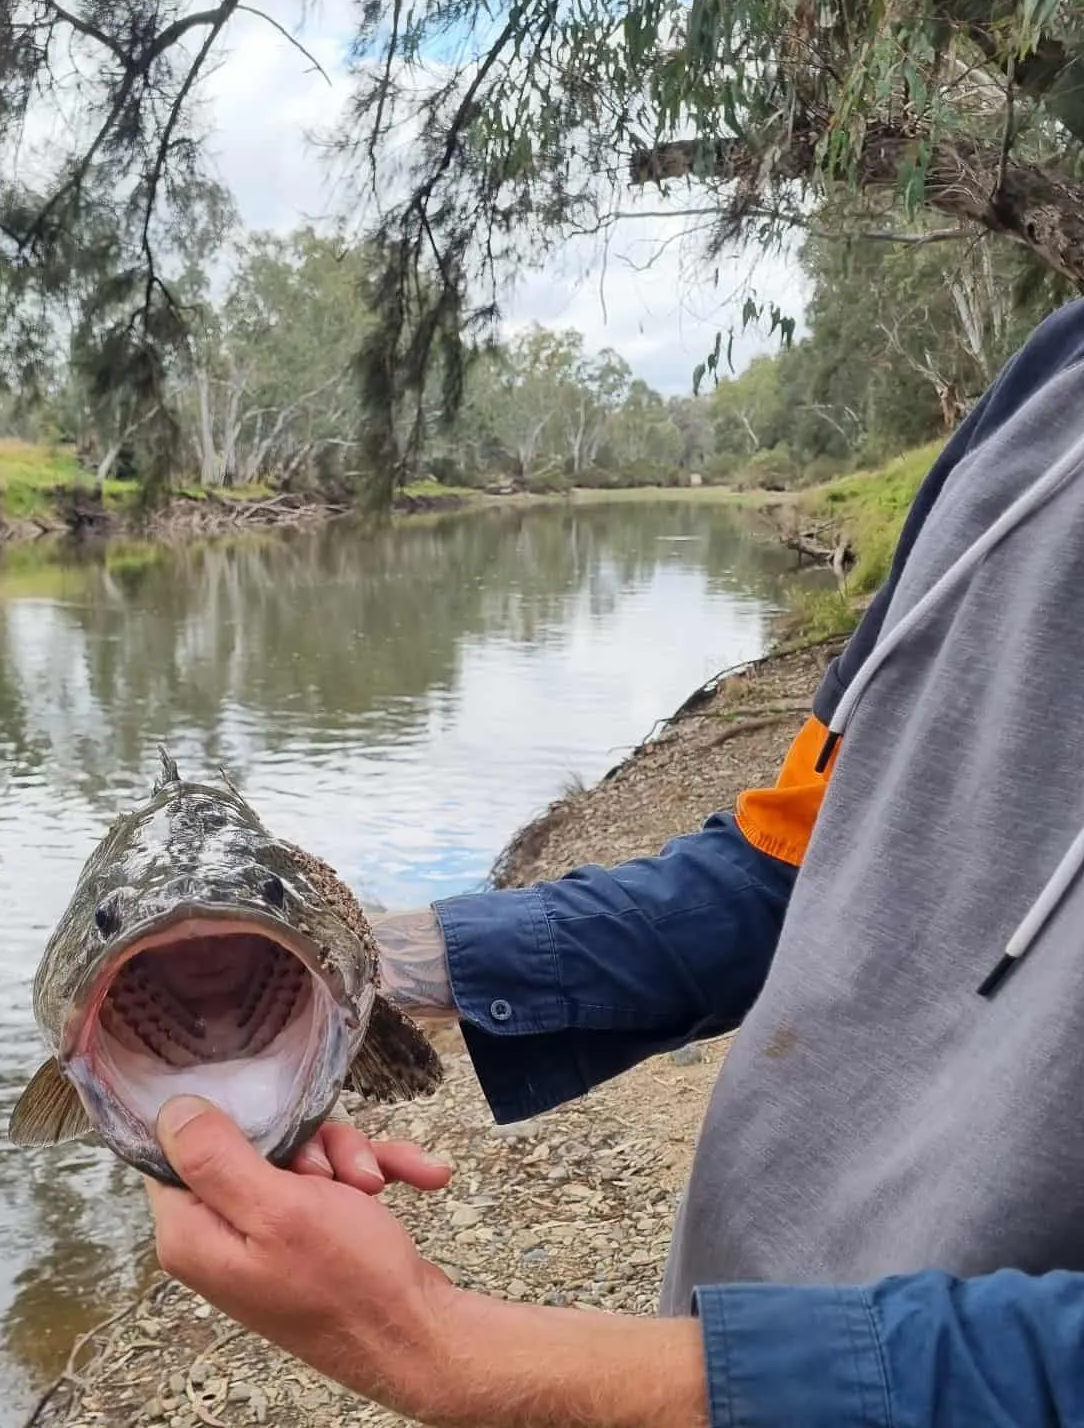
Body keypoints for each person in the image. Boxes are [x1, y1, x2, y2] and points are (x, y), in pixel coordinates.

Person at [143, 299, 1084, 1427]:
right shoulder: (1045, 388)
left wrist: (452, 1352)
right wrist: (347, 969)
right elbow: (788, 870)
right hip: (721, 1311)